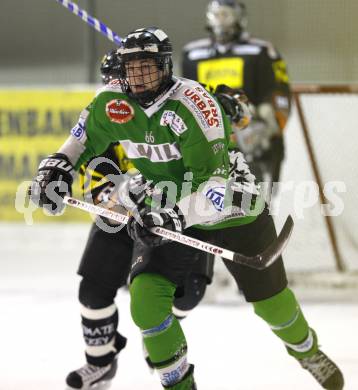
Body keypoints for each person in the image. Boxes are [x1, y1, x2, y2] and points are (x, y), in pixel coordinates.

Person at [29, 27, 343, 390]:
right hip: (165, 205)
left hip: (229, 203)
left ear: (165, 66)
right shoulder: (111, 101)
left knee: (270, 302)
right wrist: (54, 169)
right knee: (145, 301)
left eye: (147, 67)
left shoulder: (194, 103)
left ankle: (308, 351)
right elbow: (78, 143)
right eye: (132, 69)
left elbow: (213, 184)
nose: (139, 77)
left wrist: (170, 216)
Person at [65, 50, 215, 390]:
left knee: (187, 295)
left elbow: (210, 167)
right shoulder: (104, 120)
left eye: (125, 79)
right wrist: (119, 197)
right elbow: (98, 189)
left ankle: (158, 329)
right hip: (124, 217)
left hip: (175, 213)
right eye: (112, 81)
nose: (118, 90)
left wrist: (227, 109)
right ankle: (100, 363)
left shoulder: (174, 113)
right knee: (92, 292)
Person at [182, 0, 291, 194]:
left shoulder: (262, 50)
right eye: (216, 14)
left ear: (240, 18)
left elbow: (280, 93)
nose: (221, 20)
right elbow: (185, 99)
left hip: (257, 139)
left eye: (227, 14)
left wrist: (269, 127)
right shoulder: (192, 54)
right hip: (212, 141)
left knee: (258, 205)